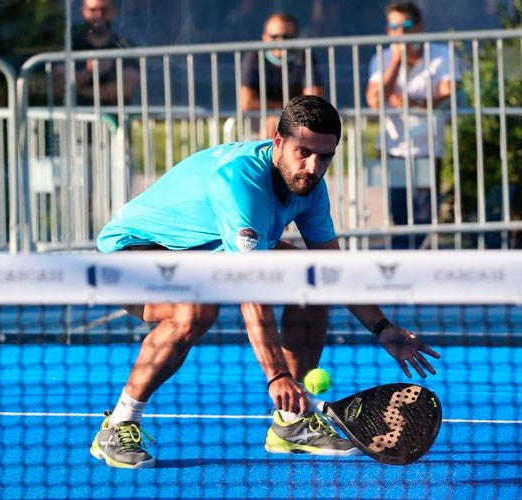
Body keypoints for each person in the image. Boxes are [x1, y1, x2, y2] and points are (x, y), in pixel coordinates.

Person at [90, 95, 440, 469]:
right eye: (303, 152)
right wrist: (277, 376)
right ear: (278, 142)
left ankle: (291, 424)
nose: (312, 166)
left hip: (199, 259)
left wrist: (382, 327)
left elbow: (332, 269)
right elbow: (249, 287)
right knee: (193, 310)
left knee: (311, 279)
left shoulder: (310, 188)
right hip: (131, 254)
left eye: (324, 157)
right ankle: (120, 422)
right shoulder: (241, 182)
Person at [366, 1, 455, 249]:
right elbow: (375, 100)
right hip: (394, 149)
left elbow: (448, 92)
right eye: (394, 27)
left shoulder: (441, 53)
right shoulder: (382, 58)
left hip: (427, 149)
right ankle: (404, 264)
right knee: (400, 215)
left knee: (425, 215)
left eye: (406, 25)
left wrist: (413, 101)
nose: (400, 32)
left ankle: (412, 262)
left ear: (420, 27)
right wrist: (396, 62)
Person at [240, 13, 324, 138]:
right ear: (264, 37)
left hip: (298, 124)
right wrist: (278, 113)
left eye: (286, 37)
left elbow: (313, 100)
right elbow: (247, 102)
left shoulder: (305, 56)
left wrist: (284, 115)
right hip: (260, 126)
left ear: (296, 38)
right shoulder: (254, 57)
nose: (280, 41)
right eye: (274, 36)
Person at [70, 0, 140, 105]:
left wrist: (82, 91)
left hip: (116, 118)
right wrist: (89, 72)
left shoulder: (125, 46)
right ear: (83, 11)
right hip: (76, 119)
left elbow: (127, 88)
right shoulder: (71, 45)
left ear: (113, 11)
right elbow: (58, 87)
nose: (98, 15)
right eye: (92, 10)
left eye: (104, 10)